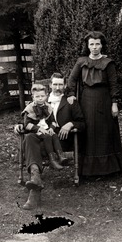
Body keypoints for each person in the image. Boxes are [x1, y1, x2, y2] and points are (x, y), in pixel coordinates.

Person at [14, 73, 85, 210]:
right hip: (39, 138)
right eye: (55, 84)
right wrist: (18, 126)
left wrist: (70, 124)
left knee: (31, 146)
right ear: (50, 85)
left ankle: (33, 195)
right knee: (29, 138)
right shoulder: (39, 101)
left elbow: (82, 123)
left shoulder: (70, 101)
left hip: (58, 142)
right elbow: (27, 120)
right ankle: (35, 177)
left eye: (60, 84)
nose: (57, 87)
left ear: (64, 86)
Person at [66, 30, 122, 177]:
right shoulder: (81, 62)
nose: (94, 47)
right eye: (91, 44)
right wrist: (70, 95)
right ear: (87, 46)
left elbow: (113, 84)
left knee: (104, 133)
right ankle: (87, 170)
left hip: (104, 101)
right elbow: (72, 80)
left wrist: (114, 103)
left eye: (97, 44)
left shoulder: (108, 63)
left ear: (102, 46)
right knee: (88, 132)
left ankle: (108, 169)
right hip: (86, 101)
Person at [22, 83, 68, 170]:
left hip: (47, 130)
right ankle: (52, 160)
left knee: (54, 135)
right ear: (33, 97)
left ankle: (60, 156)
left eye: (42, 96)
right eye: (37, 96)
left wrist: (51, 128)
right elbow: (26, 124)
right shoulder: (29, 108)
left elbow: (53, 122)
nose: (40, 98)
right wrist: (39, 128)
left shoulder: (48, 107)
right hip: (36, 132)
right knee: (47, 136)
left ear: (46, 96)